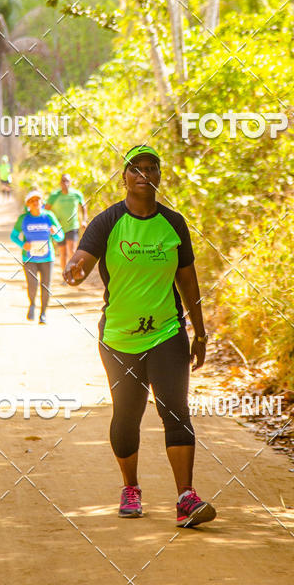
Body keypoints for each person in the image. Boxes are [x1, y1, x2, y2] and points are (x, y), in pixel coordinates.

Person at [63, 145, 215, 528]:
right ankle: (130, 487)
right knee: (127, 417)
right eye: (136, 169)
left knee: (175, 411)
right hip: (119, 338)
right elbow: (84, 256)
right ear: (125, 178)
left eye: (151, 168)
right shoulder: (108, 221)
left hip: (167, 332)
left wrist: (199, 329)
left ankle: (185, 497)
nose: (144, 174)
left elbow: (188, 279)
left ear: (159, 176)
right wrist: (76, 268)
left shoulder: (174, 223)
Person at [10, 189, 64, 324]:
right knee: (32, 284)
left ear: (42, 202)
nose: (35, 203)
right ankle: (32, 304)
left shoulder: (49, 216)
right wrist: (23, 244)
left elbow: (60, 236)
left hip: (47, 258)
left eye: (37, 200)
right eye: (32, 201)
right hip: (29, 258)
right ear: (28, 204)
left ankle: (43, 313)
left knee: (46, 286)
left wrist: (55, 232)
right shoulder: (24, 218)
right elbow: (13, 236)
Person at [46, 173, 87, 272]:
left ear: (71, 182)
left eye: (67, 181)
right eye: (63, 181)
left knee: (72, 251)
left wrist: (84, 220)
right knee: (62, 252)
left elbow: (84, 207)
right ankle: (64, 274)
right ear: (60, 183)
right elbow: (46, 210)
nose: (65, 183)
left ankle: (71, 273)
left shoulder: (76, 194)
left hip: (73, 226)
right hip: (59, 228)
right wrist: (49, 224)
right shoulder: (54, 195)